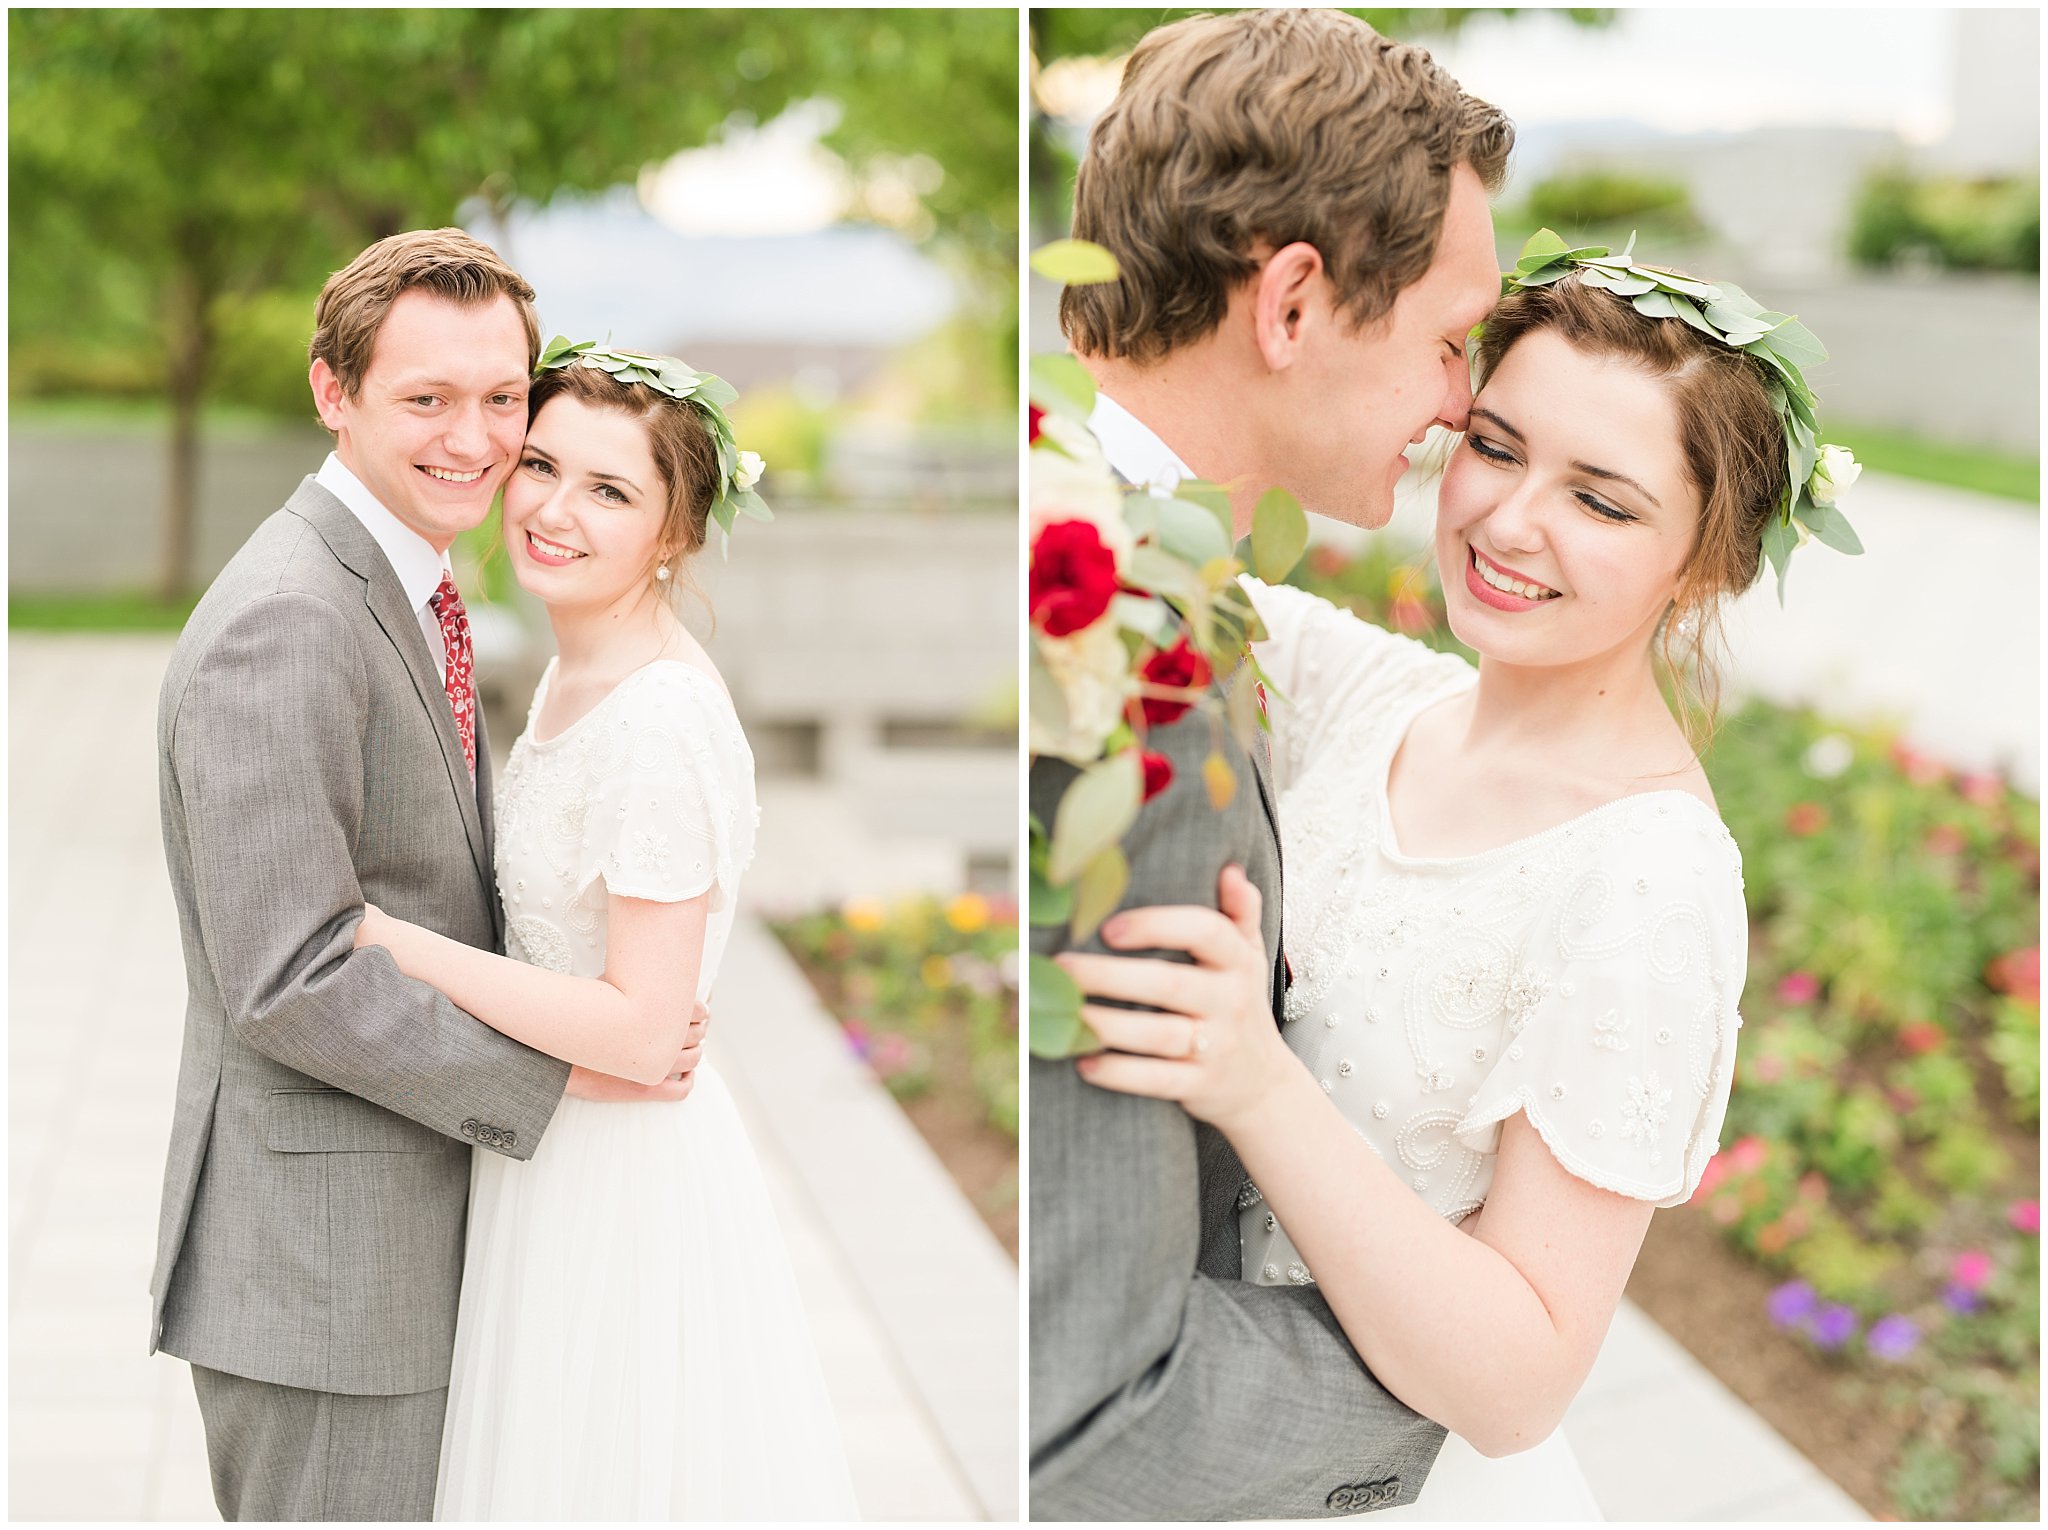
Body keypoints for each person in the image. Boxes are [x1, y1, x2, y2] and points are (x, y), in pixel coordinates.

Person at [1063, 256, 1818, 1515]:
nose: (1509, 520)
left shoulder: (1647, 875)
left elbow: (1520, 1383)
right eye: (1493, 445)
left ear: (1705, 563)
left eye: (1601, 501)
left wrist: (1253, 1084)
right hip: (1187, 1438)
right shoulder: (1372, 701)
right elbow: (1122, 526)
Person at [1029, 9, 1513, 1520]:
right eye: (1448, 341)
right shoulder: (1118, 669)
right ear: (1294, 299)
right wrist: (1479, 1378)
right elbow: (1088, 1413)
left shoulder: (1132, 563)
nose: (1460, 404)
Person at [151, 229, 705, 1522]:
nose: (476, 436)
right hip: (328, 1282)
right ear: (332, 392)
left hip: (401, 1250)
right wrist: (580, 1063)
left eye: (501, 398)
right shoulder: (288, 618)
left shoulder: (404, 588)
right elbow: (291, 973)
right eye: (427, 399)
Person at [352, 346, 858, 1520]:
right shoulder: (582, 675)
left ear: (676, 532)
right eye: (540, 466)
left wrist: (387, 940)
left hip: (620, 1174)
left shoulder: (661, 721)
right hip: (546, 1137)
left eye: (609, 491)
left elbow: (642, 1028)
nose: (552, 510)